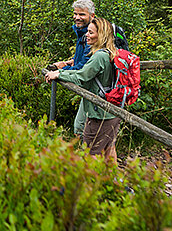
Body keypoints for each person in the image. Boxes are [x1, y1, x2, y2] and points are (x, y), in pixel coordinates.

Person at [45, 17, 121, 163]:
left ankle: (90, 183)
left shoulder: (99, 56)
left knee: (91, 151)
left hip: (99, 113)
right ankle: (114, 182)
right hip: (113, 110)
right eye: (87, 32)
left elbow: (82, 76)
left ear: (102, 35)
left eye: (91, 33)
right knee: (109, 147)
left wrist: (59, 74)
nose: (87, 35)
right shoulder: (112, 52)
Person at [50, 0, 95, 136]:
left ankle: (87, 156)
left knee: (81, 128)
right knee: (101, 135)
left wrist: (60, 72)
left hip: (97, 88)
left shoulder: (92, 35)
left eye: (82, 14)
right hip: (91, 86)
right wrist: (70, 62)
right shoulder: (82, 32)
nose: (77, 17)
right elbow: (82, 59)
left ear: (92, 16)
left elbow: (84, 67)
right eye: (75, 14)